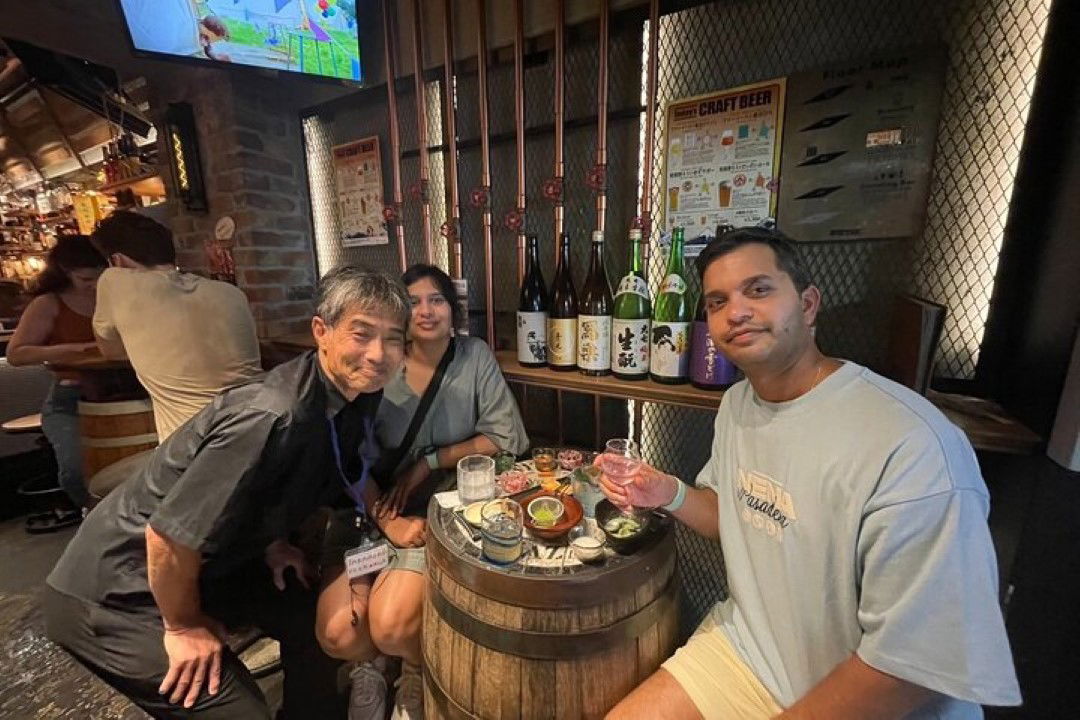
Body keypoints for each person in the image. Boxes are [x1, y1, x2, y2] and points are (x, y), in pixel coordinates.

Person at [600, 227, 1020, 720]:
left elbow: (913, 667)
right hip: (750, 653)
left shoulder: (910, 444)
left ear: (809, 304)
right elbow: (732, 515)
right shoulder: (738, 403)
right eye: (717, 301)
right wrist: (668, 492)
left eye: (758, 290)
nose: (735, 312)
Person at [44, 267, 410, 719]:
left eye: (393, 339)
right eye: (362, 333)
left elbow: (279, 483)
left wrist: (273, 542)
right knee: (239, 710)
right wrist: (182, 626)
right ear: (322, 331)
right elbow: (167, 536)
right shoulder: (272, 414)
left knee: (308, 622)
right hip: (118, 589)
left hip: (210, 563)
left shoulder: (353, 395)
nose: (378, 353)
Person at [315, 264, 528, 720]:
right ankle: (369, 667)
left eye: (438, 300)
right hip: (370, 510)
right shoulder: (379, 364)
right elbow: (344, 456)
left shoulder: (473, 356)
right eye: (412, 302)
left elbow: (506, 438)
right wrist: (385, 519)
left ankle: (413, 667)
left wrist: (429, 461)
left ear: (454, 310)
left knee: (391, 625)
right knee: (340, 633)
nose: (426, 311)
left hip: (433, 509)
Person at [90, 210, 262, 441]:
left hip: (194, 451)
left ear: (116, 260)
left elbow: (112, 351)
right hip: (261, 427)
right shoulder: (230, 293)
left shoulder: (114, 281)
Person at [7, 235, 107, 517]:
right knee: (75, 470)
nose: (94, 284)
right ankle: (92, 517)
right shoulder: (49, 303)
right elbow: (16, 354)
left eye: (100, 276)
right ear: (65, 271)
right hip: (70, 397)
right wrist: (78, 349)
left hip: (118, 392)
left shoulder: (114, 295)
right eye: (86, 278)